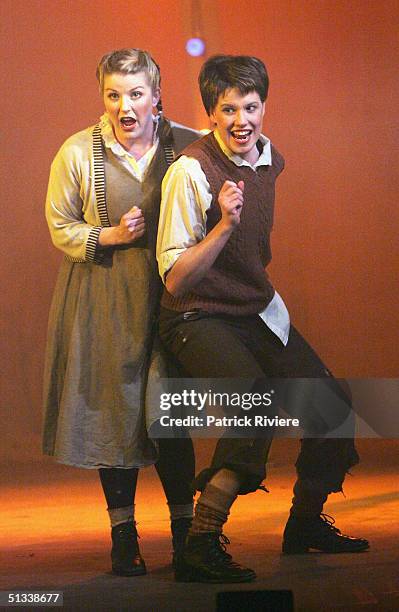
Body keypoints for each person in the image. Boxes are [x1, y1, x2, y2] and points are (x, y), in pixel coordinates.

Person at [156, 54, 369, 583]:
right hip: (196, 315)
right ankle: (199, 546)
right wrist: (224, 224)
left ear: (264, 106)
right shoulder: (190, 172)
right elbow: (176, 280)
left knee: (334, 404)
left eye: (250, 107)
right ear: (210, 113)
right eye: (227, 109)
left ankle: (304, 526)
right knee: (255, 405)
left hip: (253, 309)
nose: (241, 121)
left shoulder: (270, 159)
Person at [43, 48, 199, 576]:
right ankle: (123, 535)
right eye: (114, 94)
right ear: (102, 97)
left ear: (157, 95)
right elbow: (60, 223)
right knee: (115, 415)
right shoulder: (77, 153)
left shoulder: (188, 146)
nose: (125, 107)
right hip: (103, 299)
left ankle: (187, 535)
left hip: (168, 299)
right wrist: (109, 234)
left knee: (171, 417)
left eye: (136, 94)